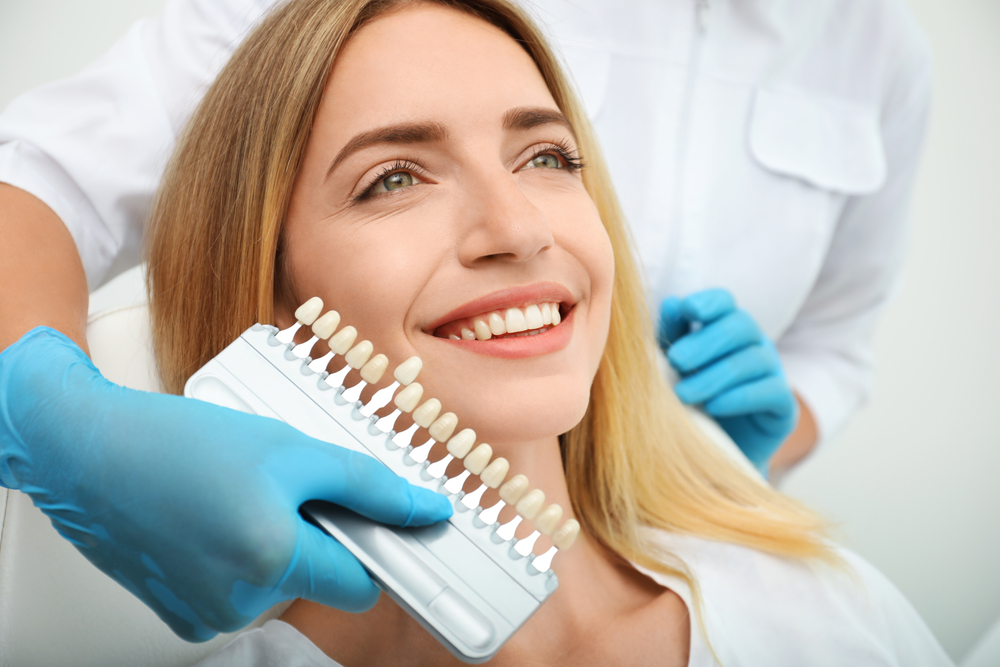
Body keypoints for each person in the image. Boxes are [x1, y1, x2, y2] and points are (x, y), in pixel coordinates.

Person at [0, 0, 931, 644]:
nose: (521, 228)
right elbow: (37, 178)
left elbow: (836, 348)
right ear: (273, 284)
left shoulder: (832, 615)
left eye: (551, 157)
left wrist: (703, 454)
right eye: (393, 178)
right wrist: (63, 425)